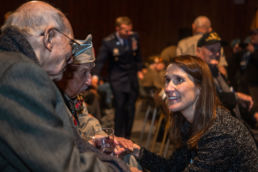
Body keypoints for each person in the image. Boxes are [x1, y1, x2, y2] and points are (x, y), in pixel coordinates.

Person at [0, 1, 131, 171]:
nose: (71, 56)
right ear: (49, 37)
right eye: (70, 43)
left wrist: (89, 147)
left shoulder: (10, 63)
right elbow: (63, 166)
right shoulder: (21, 72)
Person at [120, 55, 258, 171]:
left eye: (178, 80)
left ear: (200, 88)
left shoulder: (220, 132)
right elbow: (173, 167)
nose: (168, 88)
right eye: (167, 80)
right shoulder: (190, 122)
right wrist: (135, 150)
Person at [93, 16, 143, 138]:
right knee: (120, 107)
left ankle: (128, 136)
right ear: (117, 29)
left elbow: (138, 55)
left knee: (131, 109)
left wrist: (141, 69)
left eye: (130, 30)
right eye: (125, 31)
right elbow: (100, 60)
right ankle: (119, 136)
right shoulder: (109, 41)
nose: (128, 33)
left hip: (131, 78)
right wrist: (95, 75)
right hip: (118, 79)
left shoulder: (134, 37)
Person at [196, 31, 258, 128]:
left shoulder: (217, 73)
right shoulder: (197, 73)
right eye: (212, 49)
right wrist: (236, 96)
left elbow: (231, 95)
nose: (217, 53)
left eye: (219, 50)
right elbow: (211, 98)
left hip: (234, 126)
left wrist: (253, 114)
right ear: (198, 51)